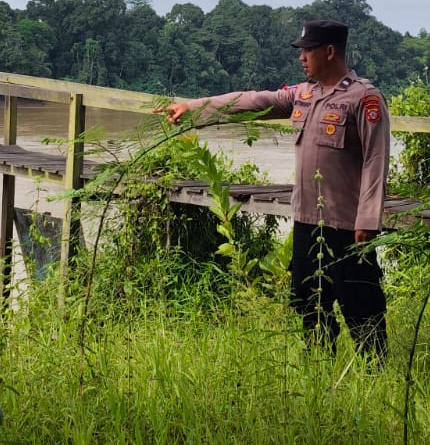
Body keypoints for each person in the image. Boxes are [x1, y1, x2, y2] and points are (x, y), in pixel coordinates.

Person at [164, 19, 390, 356]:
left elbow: (376, 159)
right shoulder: (303, 95)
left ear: (329, 51)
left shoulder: (364, 99)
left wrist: (367, 221)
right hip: (306, 223)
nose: (301, 58)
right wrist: (193, 107)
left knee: (361, 307)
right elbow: (252, 101)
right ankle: (320, 369)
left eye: (307, 51)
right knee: (309, 304)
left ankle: (376, 374)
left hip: (347, 226)